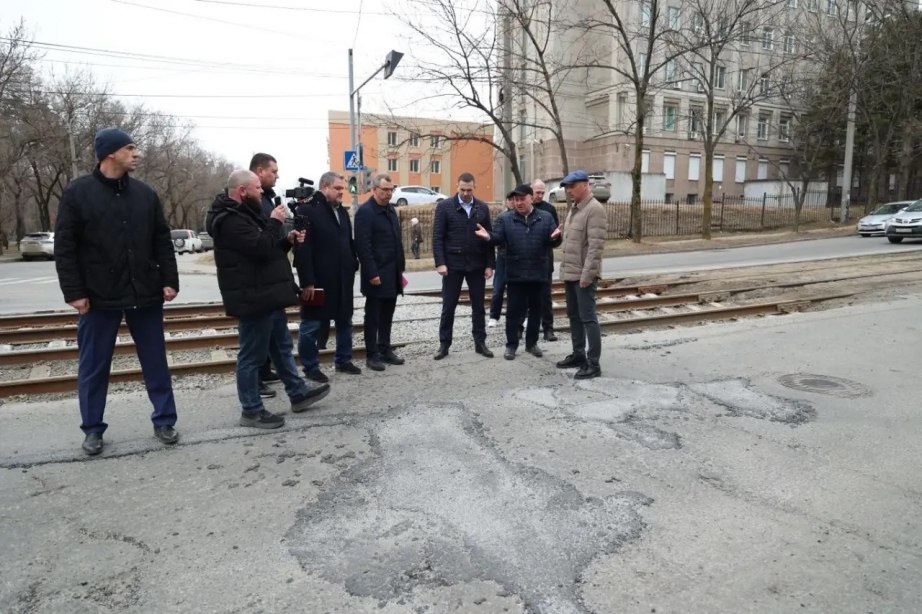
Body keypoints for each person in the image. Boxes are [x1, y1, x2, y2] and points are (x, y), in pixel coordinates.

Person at [54, 127, 180, 455]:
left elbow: (161, 240)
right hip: (98, 295)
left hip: (145, 291)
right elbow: (65, 247)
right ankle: (92, 429)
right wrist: (74, 291)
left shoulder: (145, 194)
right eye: (130, 148)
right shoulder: (78, 193)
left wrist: (169, 280)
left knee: (155, 360)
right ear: (110, 153)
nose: (136, 153)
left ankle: (165, 420)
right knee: (94, 365)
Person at [206, 170, 330, 429]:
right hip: (252, 296)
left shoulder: (246, 213)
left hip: (266, 294)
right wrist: (274, 222)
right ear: (242, 191)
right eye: (257, 188)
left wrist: (287, 241)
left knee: (281, 347)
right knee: (251, 356)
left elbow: (267, 249)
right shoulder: (229, 220)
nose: (261, 191)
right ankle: (251, 410)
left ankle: (297, 393)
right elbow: (260, 248)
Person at [474, 184, 561, 360]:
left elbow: (553, 242)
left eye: (522, 199)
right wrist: (488, 236)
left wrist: (556, 238)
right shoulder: (506, 219)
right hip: (515, 273)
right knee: (513, 312)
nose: (518, 203)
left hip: (538, 273)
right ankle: (511, 345)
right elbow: (498, 238)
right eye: (516, 200)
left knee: (536, 312)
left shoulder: (546, 217)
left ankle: (531, 344)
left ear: (531, 199)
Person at [293, 171, 361, 383]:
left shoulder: (341, 212)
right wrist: (307, 281)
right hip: (319, 281)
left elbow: (347, 242)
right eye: (337, 188)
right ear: (324, 187)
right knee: (311, 326)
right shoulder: (307, 210)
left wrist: (353, 262)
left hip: (342, 279)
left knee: (345, 321)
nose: (342, 192)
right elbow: (302, 249)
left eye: (343, 189)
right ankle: (310, 367)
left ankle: (343, 360)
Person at [432, 172, 495, 360]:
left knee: (478, 306)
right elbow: (437, 237)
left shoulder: (482, 208)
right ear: (457, 187)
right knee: (448, 306)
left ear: (474, 187)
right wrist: (440, 263)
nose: (466, 193)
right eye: (462, 190)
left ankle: (480, 342)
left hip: (477, 264)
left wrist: (490, 264)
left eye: (469, 190)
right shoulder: (444, 207)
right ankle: (444, 344)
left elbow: (488, 237)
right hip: (452, 265)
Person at [353, 173, 406, 372]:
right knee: (373, 316)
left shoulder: (390, 210)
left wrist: (400, 268)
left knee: (387, 314)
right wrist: (372, 273)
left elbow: (396, 241)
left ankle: (385, 349)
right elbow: (363, 246)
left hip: (392, 272)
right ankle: (372, 355)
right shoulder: (365, 212)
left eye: (391, 190)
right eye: (385, 190)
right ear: (374, 189)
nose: (389, 193)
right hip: (376, 273)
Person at [556, 170, 605, 379]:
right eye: (567, 187)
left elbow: (596, 247)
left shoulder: (594, 209)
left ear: (585, 185)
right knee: (574, 316)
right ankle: (578, 355)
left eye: (572, 186)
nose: (569, 190)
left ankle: (593, 364)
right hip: (571, 273)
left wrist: (587, 276)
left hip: (583, 276)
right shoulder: (575, 209)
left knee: (588, 318)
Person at [250, 153, 282, 397]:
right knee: (256, 337)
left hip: (271, 276)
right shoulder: (251, 203)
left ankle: (265, 370)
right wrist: (275, 222)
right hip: (257, 280)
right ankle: (256, 382)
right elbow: (260, 243)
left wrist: (288, 240)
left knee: (273, 333)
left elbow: (272, 242)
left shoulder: (267, 199)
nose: (277, 176)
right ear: (260, 172)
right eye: (273, 171)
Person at [531, 179, 560, 342]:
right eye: (538, 192)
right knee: (523, 297)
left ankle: (548, 329)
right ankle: (520, 328)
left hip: (545, 260)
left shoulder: (550, 210)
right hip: (526, 261)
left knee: (545, 298)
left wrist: (555, 238)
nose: (540, 196)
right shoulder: (523, 207)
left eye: (543, 193)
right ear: (531, 192)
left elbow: (556, 237)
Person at [487, 195, 515, 328]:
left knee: (517, 290)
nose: (512, 202)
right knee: (498, 289)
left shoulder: (522, 216)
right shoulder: (501, 217)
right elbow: (495, 236)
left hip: (518, 258)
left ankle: (521, 317)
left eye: (514, 199)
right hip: (503, 257)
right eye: (510, 200)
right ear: (506, 202)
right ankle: (494, 316)